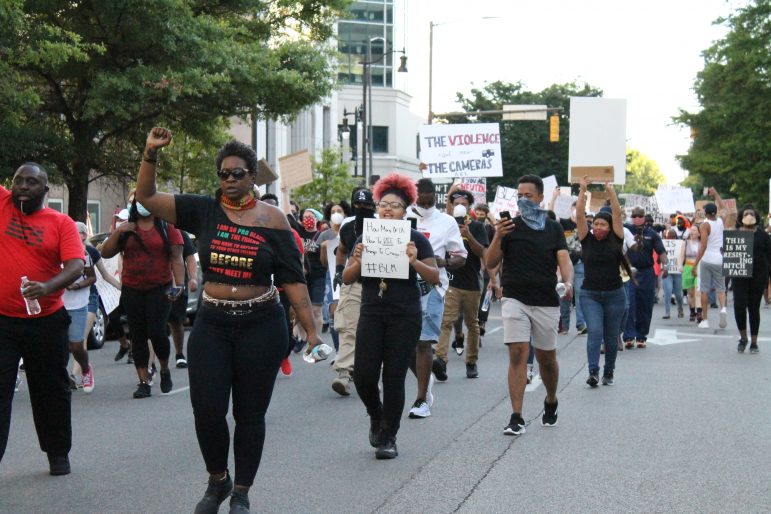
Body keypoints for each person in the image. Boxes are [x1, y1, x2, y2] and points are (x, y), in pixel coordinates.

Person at [136, 128, 319, 514]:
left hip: (262, 325)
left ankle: (241, 492)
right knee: (206, 408)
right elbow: (147, 197)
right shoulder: (203, 210)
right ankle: (217, 480)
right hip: (213, 325)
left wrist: (314, 332)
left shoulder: (272, 220)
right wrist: (150, 153)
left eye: (238, 173)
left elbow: (293, 280)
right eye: (224, 173)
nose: (230, 179)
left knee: (249, 413)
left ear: (253, 175)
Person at [343, 173, 439, 459]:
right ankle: (376, 414)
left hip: (405, 314)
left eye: (395, 205)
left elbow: (434, 277)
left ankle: (389, 436)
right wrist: (358, 259)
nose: (387, 209)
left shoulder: (416, 239)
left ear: (405, 209)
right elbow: (346, 278)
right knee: (363, 375)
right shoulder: (364, 236)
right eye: (383, 204)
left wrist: (415, 261)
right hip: (372, 311)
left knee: (394, 377)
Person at [0, 163, 85, 475]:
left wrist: (48, 287)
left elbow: (76, 265)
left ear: (45, 190)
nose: (23, 186)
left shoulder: (60, 223)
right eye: (18, 180)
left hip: (46, 321)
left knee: (50, 391)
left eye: (31, 182)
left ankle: (57, 453)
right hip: (3, 322)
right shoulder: (3, 203)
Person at [485, 174, 574, 436]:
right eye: (519, 196)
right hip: (515, 298)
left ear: (540, 198)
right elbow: (490, 262)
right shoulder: (508, 226)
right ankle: (516, 417)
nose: (523, 200)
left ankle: (551, 400)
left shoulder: (553, 228)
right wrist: (498, 236)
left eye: (529, 196)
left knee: (547, 359)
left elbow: (564, 259)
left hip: (546, 299)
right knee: (517, 354)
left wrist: (568, 282)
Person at [101, 191, 185, 398]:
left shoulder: (166, 227)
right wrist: (118, 232)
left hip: (160, 288)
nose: (141, 206)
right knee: (137, 336)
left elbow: (176, 256)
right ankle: (143, 381)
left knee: (157, 332)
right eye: (137, 202)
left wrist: (180, 285)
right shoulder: (126, 228)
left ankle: (164, 368)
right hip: (132, 289)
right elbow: (105, 252)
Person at [407, 178, 466, 419]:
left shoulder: (447, 222)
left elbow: (461, 257)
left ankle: (422, 399)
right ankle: (425, 376)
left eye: (430, 196)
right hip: (401, 286)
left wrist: (444, 262)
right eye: (421, 195)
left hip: (431, 288)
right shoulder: (403, 217)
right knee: (405, 345)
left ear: (436, 197)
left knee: (424, 342)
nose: (425, 200)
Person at [575, 179, 630, 386]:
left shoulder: (617, 239)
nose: (598, 227)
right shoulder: (586, 239)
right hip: (590, 295)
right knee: (595, 331)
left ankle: (609, 371)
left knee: (611, 335)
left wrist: (610, 190)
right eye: (596, 223)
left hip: (615, 294)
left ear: (610, 227)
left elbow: (616, 214)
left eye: (602, 224)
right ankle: (593, 372)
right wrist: (582, 190)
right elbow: (579, 215)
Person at [435, 188, 489, 378]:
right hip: (450, 282)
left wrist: (467, 234)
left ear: (469, 207)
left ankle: (471, 361)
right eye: (456, 204)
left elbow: (482, 252)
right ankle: (440, 360)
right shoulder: (444, 225)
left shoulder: (476, 227)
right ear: (450, 205)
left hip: (471, 283)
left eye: (463, 205)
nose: (460, 207)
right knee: (446, 321)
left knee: (472, 324)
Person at [331, 188, 377, 396]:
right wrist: (339, 271)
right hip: (353, 281)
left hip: (378, 284)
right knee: (348, 328)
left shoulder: (382, 225)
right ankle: (343, 373)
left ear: (372, 205)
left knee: (372, 332)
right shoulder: (347, 226)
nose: (362, 209)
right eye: (358, 205)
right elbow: (341, 249)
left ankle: (371, 375)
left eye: (366, 205)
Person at [623, 206, 668, 348]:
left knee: (645, 305)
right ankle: (629, 336)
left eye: (639, 216)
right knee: (628, 304)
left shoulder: (652, 234)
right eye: (634, 216)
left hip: (647, 273)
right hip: (629, 272)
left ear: (644, 217)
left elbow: (661, 252)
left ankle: (641, 336)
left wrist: (665, 266)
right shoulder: (625, 230)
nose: (637, 218)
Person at [62, 221, 97, 393]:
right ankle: (62, 378)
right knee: (57, 345)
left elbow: (92, 278)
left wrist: (77, 286)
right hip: (57, 304)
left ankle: (85, 368)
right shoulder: (53, 252)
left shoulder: (84, 254)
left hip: (78, 303)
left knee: (76, 345)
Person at [731, 206, 770, 353]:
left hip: (758, 276)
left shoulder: (763, 235)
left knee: (754, 308)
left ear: (756, 217)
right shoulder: (734, 234)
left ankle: (754, 342)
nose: (748, 215)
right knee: (739, 305)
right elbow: (728, 252)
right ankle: (743, 337)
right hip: (739, 275)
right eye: (746, 213)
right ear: (741, 217)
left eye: (751, 214)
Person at [691, 188, 728, 329]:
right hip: (720, 258)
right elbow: (724, 208)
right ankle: (723, 308)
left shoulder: (705, 225)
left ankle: (705, 320)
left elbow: (703, 246)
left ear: (705, 213)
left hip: (707, 260)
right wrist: (716, 194)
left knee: (704, 290)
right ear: (715, 212)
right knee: (721, 288)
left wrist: (695, 264)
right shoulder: (721, 220)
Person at [168, 230, 198, 368]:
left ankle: (179, 354)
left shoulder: (178, 232)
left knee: (175, 321)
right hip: (156, 283)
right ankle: (152, 364)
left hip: (177, 284)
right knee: (154, 324)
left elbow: (190, 257)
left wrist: (193, 278)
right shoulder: (149, 230)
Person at [661, 228, 685, 319]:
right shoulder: (662, 244)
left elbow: (683, 256)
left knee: (678, 293)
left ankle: (680, 308)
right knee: (667, 291)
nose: (670, 238)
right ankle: (667, 312)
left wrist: (681, 265)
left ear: (675, 237)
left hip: (677, 271)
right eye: (668, 236)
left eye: (672, 236)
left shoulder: (680, 244)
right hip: (667, 271)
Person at [682, 225, 703, 322]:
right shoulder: (685, 243)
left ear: (699, 233)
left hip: (699, 268)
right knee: (690, 293)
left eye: (695, 230)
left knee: (698, 292)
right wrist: (679, 266)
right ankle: (692, 311)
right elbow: (681, 255)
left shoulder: (702, 243)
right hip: (688, 268)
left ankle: (699, 313)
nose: (692, 232)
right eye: (691, 230)